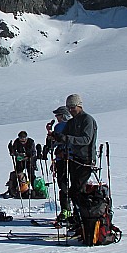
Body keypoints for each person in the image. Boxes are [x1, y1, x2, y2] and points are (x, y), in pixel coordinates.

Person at [48, 94, 98, 224]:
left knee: (77, 189)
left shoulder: (87, 120)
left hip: (86, 160)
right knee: (74, 190)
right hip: (73, 159)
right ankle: (77, 217)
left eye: (73, 107)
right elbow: (63, 137)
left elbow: (86, 139)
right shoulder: (71, 122)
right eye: (69, 108)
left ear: (79, 105)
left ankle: (82, 218)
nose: (71, 110)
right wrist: (54, 136)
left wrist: (67, 139)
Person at [46, 106, 72, 222]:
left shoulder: (60, 126)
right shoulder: (73, 125)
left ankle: (66, 210)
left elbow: (54, 142)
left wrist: (50, 133)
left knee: (63, 184)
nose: (57, 117)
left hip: (63, 158)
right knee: (70, 185)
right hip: (70, 158)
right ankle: (71, 210)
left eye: (58, 115)